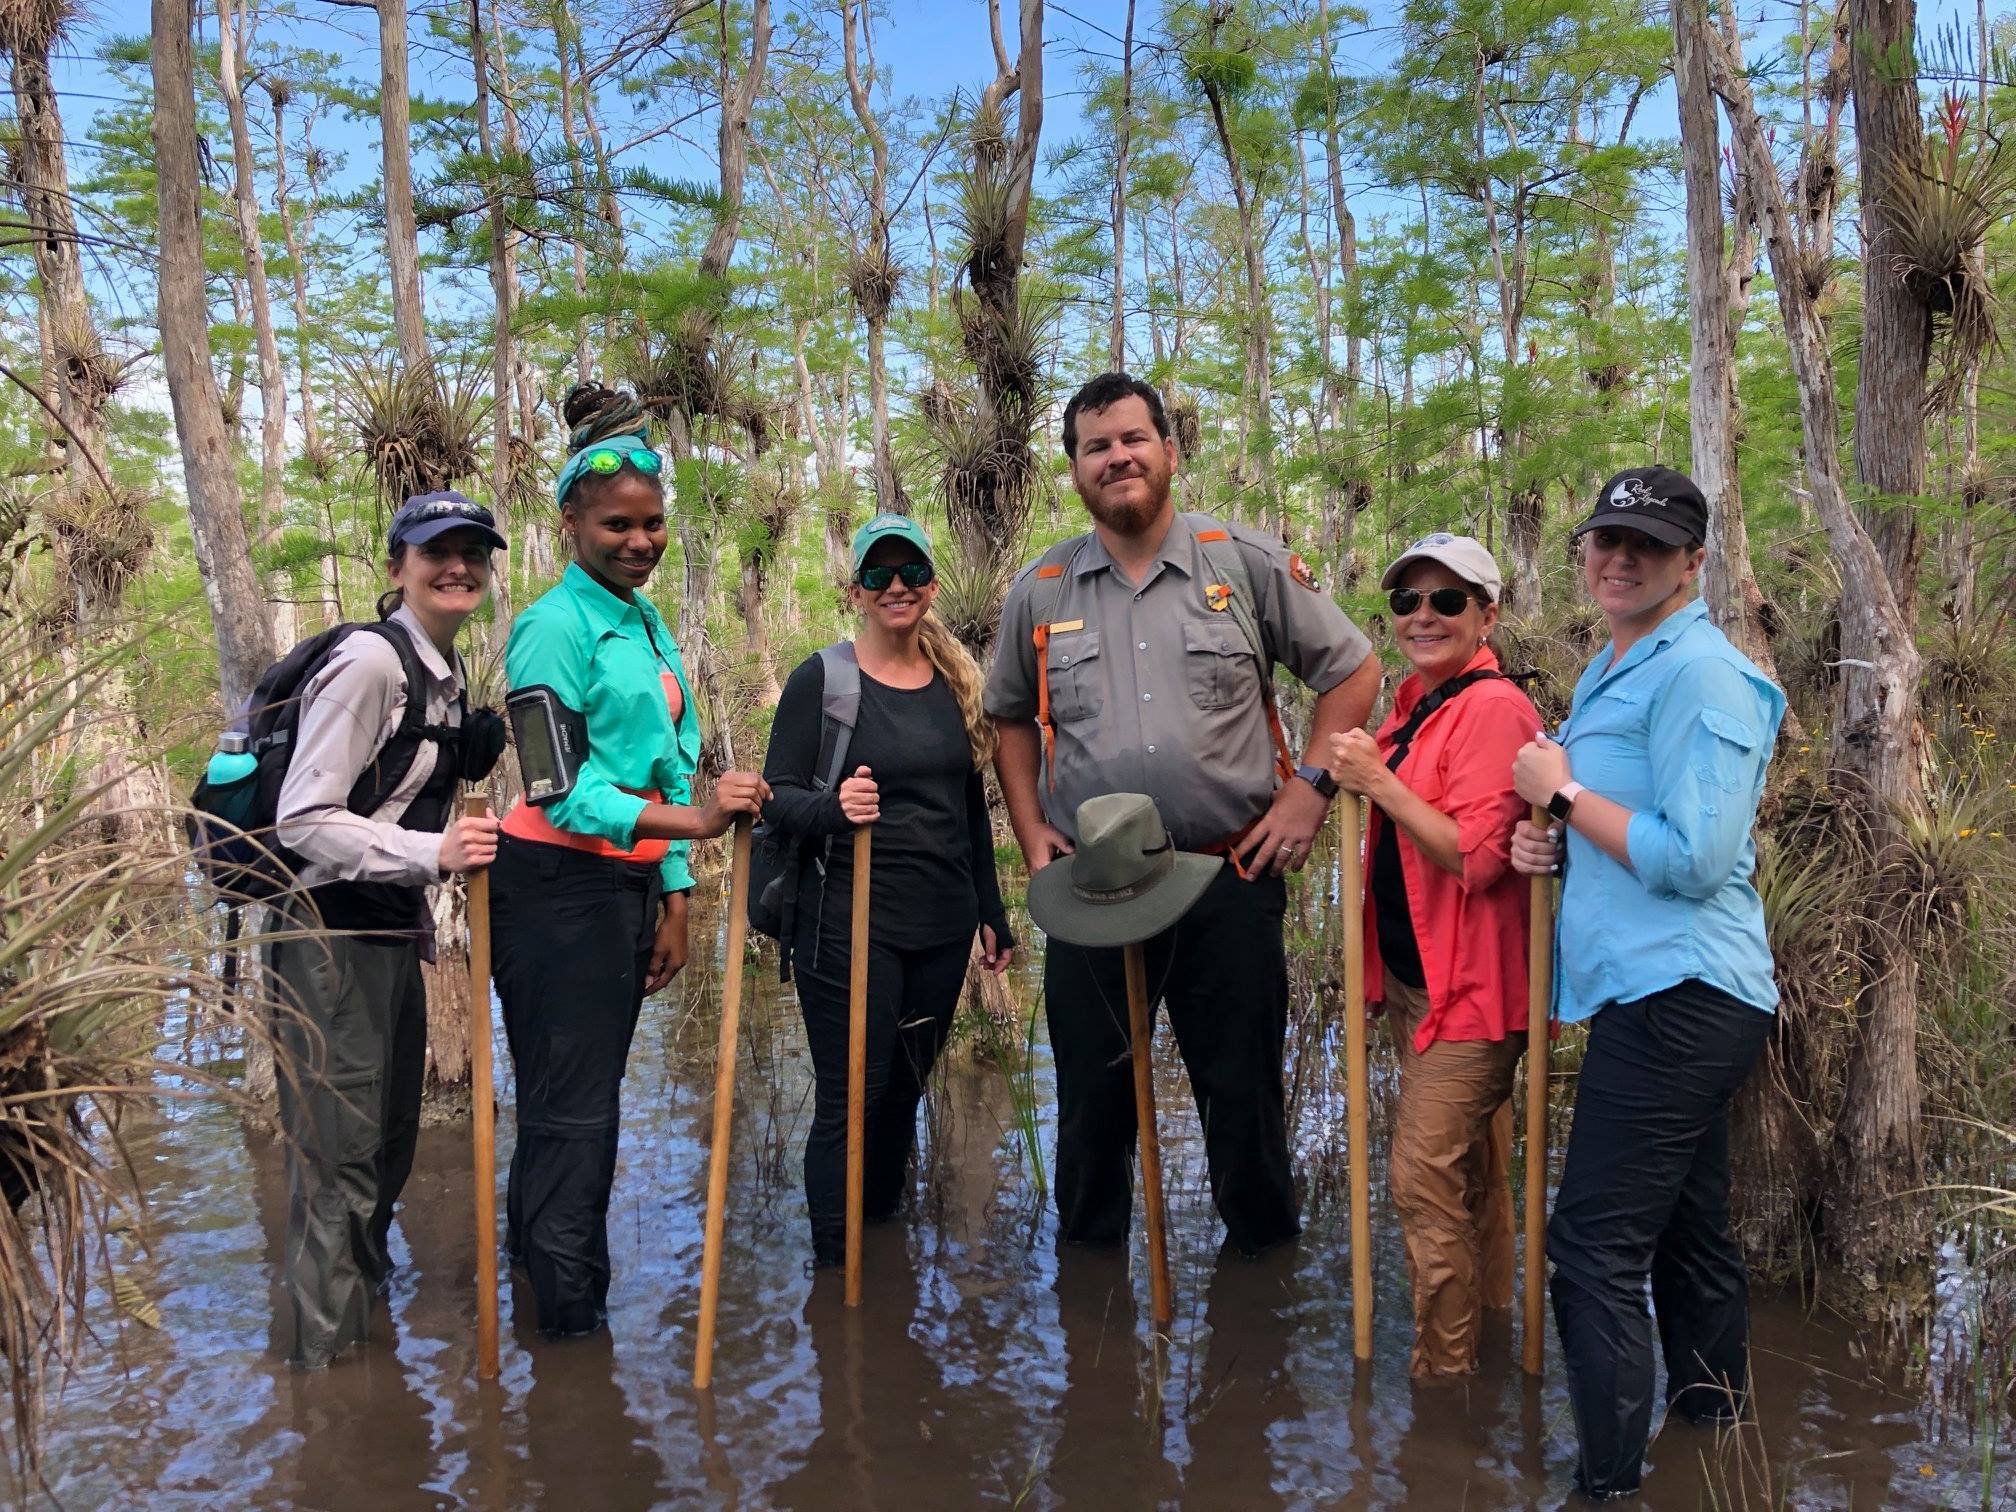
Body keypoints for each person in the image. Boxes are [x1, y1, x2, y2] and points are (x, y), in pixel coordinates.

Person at [985, 371, 1380, 1258]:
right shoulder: (1041, 591)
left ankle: (1261, 1299)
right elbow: (1006, 715)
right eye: (1097, 446)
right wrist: (1027, 826)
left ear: (1169, 449)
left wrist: (1308, 788)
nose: (1117, 457)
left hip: (1229, 874)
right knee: (1090, 1106)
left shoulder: (1243, 561)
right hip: (1096, 886)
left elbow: (1353, 673)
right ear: (1075, 468)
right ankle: (1092, 1314)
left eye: (1133, 439)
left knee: (1241, 1099)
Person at [1507, 467, 1786, 1501]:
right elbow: (1620, 833)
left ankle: (1609, 1485)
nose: (1621, 559)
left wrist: (1565, 791)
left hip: (1686, 995)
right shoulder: (1614, 666)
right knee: (1687, 1225)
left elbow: (1694, 858)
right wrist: (1560, 839)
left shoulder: (1703, 675)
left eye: (1650, 546)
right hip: (1660, 991)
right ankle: (1713, 1435)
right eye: (1607, 540)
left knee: (1589, 1248)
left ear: (1694, 564)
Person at [491, 383, 768, 1336]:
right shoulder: (551, 626)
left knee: (577, 1104)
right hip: (553, 891)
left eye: (651, 524)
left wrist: (676, 897)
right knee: (575, 1119)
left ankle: (538, 1291)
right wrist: (692, 826)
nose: (638, 541)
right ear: (570, 519)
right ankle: (571, 1340)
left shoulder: (642, 620)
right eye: (616, 524)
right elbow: (556, 786)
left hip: (622, 885)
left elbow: (663, 759)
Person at [270, 489, 508, 1367]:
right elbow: (303, 818)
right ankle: (325, 1391)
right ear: (397, 566)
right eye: (437, 551)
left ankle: (362, 1366)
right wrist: (434, 851)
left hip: (384, 934)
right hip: (323, 936)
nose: (458, 566)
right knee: (339, 1169)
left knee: (387, 1150)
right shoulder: (372, 664)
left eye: (473, 552)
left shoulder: (441, 677)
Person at [760, 513, 1015, 1268]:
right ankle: (836, 1276)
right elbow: (775, 797)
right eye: (878, 574)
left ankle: (881, 1243)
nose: (895, 586)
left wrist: (991, 911)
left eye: (909, 574)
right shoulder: (823, 681)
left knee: (904, 1090)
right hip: (845, 920)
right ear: (856, 590)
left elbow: (969, 808)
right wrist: (832, 809)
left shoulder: (954, 685)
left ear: (931, 586)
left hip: (942, 923)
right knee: (851, 1097)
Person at [1327, 533, 1542, 1379]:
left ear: (1486, 614)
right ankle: (1490, 1329)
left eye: (1447, 601)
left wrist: (1380, 784)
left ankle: (1445, 1384)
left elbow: (1479, 857)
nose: (1424, 615)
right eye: (1408, 601)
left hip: (1473, 992)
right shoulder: (1419, 702)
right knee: (1475, 1172)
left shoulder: (1492, 710)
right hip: (1423, 984)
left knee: (1421, 1178)